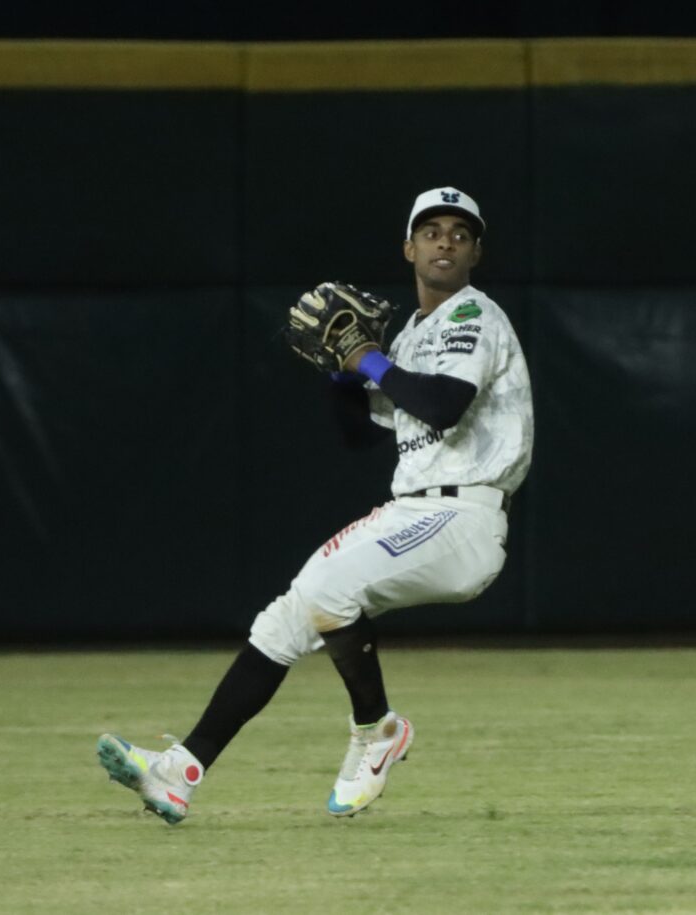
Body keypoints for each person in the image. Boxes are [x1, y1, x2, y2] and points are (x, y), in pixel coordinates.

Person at [97, 186, 533, 822]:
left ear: (476, 253)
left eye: (460, 234)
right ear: (409, 248)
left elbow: (441, 405)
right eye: (432, 230)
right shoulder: (409, 336)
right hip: (414, 510)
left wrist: (363, 355)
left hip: (464, 515)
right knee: (288, 616)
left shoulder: (474, 317)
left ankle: (378, 729)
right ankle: (179, 770)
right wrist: (340, 372)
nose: (446, 240)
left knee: (329, 588)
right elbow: (360, 432)